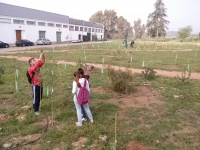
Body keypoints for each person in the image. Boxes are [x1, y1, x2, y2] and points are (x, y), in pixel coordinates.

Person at [28, 51, 45, 115]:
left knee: (40, 96)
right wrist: (39, 58)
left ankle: (35, 105)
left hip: (40, 83)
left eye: (34, 60)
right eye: (33, 61)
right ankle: (35, 109)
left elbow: (42, 62)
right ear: (30, 63)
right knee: (36, 97)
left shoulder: (37, 66)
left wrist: (42, 56)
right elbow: (36, 66)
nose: (34, 61)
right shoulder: (30, 68)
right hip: (35, 85)